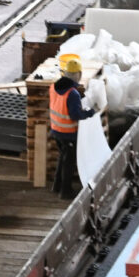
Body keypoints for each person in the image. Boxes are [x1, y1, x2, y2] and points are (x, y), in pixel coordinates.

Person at [49, 53, 96, 199]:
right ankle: (65, 191)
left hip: (55, 130)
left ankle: (56, 186)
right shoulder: (73, 93)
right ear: (79, 74)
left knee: (62, 157)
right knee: (68, 162)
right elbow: (75, 115)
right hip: (67, 133)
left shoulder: (53, 87)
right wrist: (90, 112)